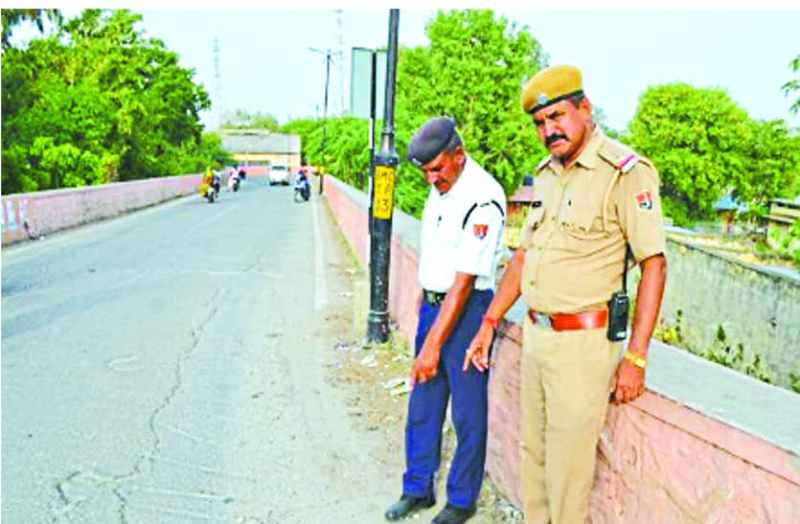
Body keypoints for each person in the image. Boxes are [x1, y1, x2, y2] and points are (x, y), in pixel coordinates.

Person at [464, 65, 667, 523]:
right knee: (532, 461)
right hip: (538, 336)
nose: (548, 130)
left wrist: (636, 357)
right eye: (539, 123)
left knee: (568, 477)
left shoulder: (624, 173)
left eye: (556, 116)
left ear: (584, 109)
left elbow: (654, 264)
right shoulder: (548, 174)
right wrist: (490, 321)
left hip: (584, 346)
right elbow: (523, 257)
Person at [384, 117, 507, 524]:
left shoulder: (483, 197)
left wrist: (433, 346)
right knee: (423, 402)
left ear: (459, 155)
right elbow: (437, 254)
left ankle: (461, 500)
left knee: (467, 412)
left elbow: (465, 281)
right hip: (436, 305)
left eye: (438, 168)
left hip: (468, 310)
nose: (432, 178)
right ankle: (417, 488)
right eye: (425, 171)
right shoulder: (441, 187)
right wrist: (422, 303)